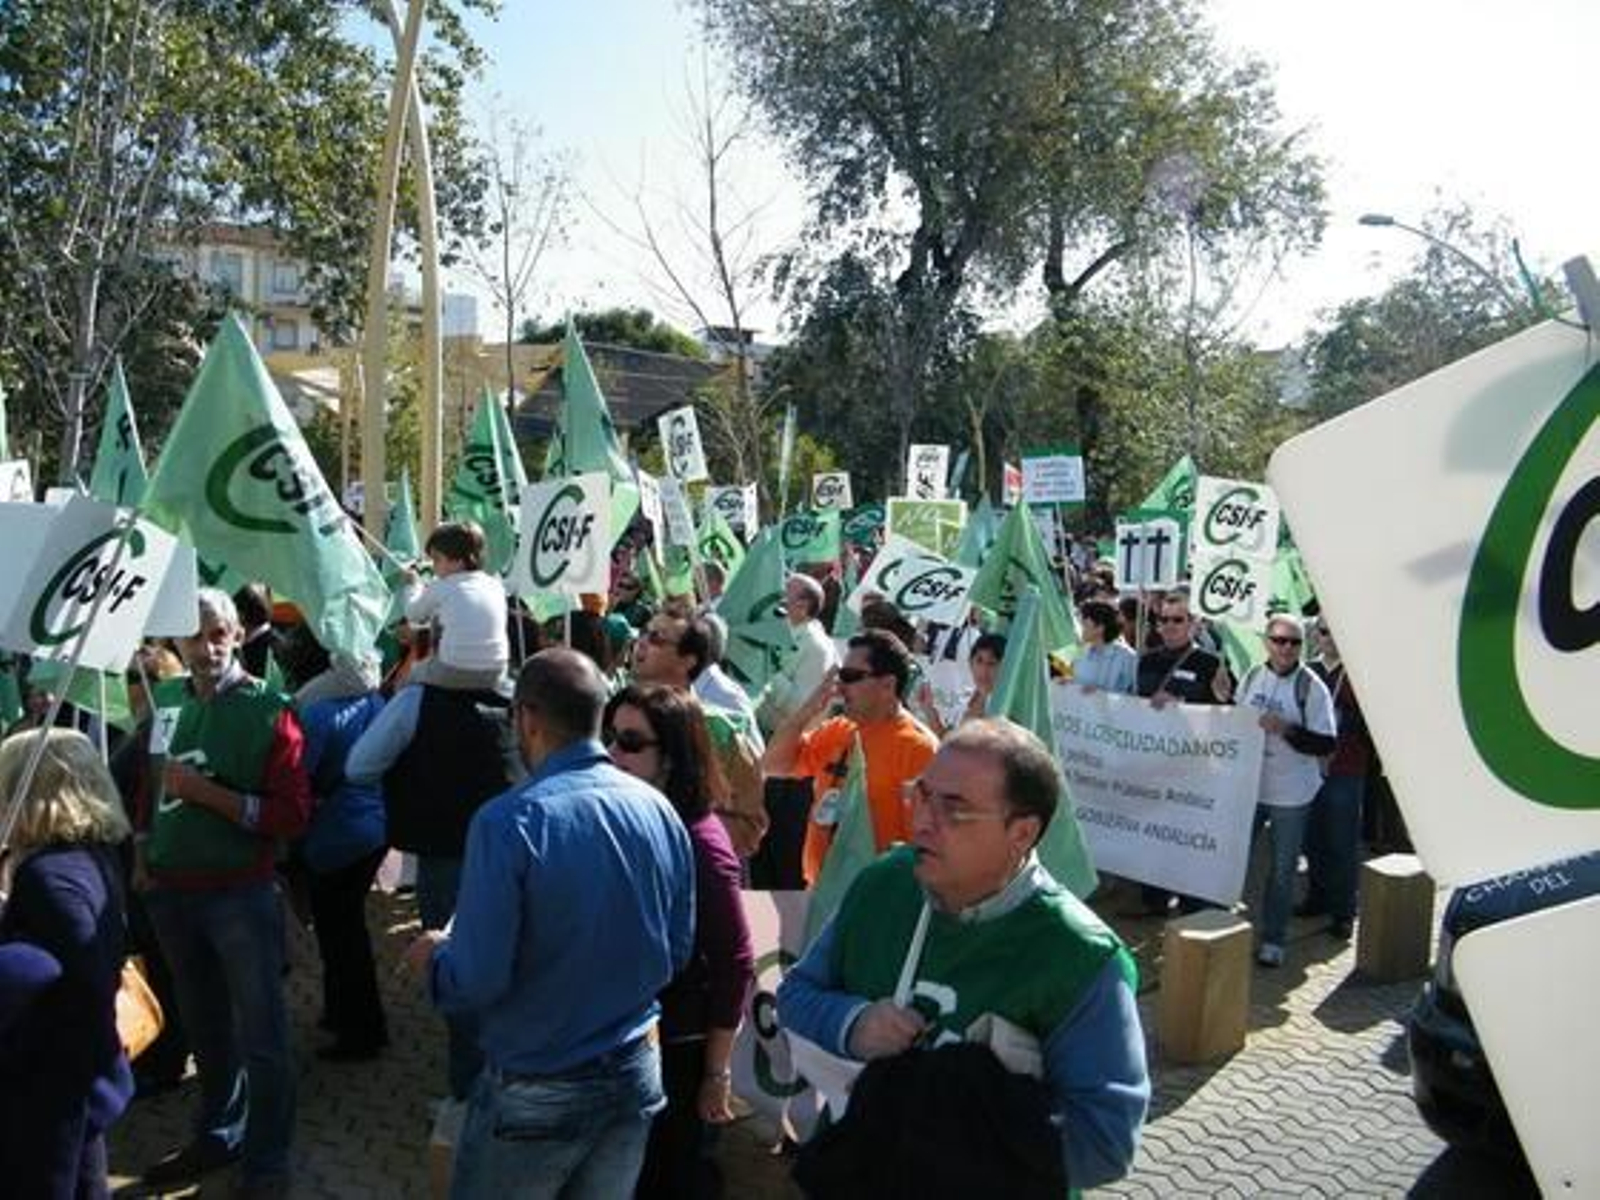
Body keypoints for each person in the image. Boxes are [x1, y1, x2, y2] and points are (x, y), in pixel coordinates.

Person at [777, 720, 1149, 1193]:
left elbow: (1105, 1144)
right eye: (923, 795)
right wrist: (853, 1023)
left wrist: (963, 1112)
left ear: (1022, 832)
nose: (923, 820)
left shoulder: (1081, 956)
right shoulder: (884, 884)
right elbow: (796, 994)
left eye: (955, 809)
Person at [403, 649, 695, 1199]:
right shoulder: (659, 810)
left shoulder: (508, 821)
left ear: (527, 719)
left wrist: (436, 959)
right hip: (634, 1069)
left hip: (539, 1083)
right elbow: (676, 951)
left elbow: (478, 979)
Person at [135, 589, 312, 1197]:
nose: (207, 647)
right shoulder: (163, 699)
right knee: (206, 1027)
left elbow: (292, 815)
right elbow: (147, 789)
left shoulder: (270, 708)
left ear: (238, 635)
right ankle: (217, 1132)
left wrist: (209, 794)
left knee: (262, 1036)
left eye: (219, 634)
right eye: (195, 635)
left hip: (240, 895)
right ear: (177, 642)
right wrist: (141, 852)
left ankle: (268, 1161)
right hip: (171, 894)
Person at [346, 647, 520, 1103]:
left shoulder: (416, 700)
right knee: (505, 968)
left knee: (457, 974)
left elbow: (359, 766)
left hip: (445, 855)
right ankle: (500, 1089)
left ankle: (467, 1099)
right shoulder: (519, 694)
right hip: (511, 854)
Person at [602, 685, 754, 1200]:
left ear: (671, 758)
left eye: (629, 742)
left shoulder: (701, 843)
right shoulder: (630, 816)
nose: (612, 754)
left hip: (679, 1051)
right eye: (609, 738)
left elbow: (736, 962)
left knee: (673, 1178)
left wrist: (716, 1072)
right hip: (628, 1038)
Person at [0, 728, 134, 1199]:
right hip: (79, 1078)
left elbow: (78, 976)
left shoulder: (48, 876)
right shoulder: (89, 853)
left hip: (56, 1089)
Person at [764, 630, 939, 885]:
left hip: (873, 895)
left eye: (850, 677)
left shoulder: (919, 747)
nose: (839, 686)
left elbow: (927, 842)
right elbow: (774, 765)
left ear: (888, 685)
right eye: (839, 676)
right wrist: (809, 709)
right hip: (821, 890)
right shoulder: (839, 729)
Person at [297, 662, 390, 1061]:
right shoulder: (376, 699)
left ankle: (359, 1029)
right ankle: (344, 1015)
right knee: (346, 929)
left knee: (340, 935)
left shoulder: (317, 711)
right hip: (375, 825)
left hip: (336, 833)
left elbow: (301, 775)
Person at [1237, 614, 1337, 967]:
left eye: (1294, 642)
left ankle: (1274, 939)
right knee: (1234, 860)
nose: (1286, 648)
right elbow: (1235, 723)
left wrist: (1288, 730)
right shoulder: (1251, 676)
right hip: (1250, 787)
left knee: (1281, 870)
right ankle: (1225, 929)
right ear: (1266, 642)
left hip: (1291, 794)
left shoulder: (1311, 686)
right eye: (1279, 640)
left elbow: (1326, 743)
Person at [632, 610, 768, 857]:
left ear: (689, 661)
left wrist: (681, 832)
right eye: (643, 633)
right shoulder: (618, 717)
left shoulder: (720, 732)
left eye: (657, 638)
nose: (641, 642)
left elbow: (749, 825)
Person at [1301, 619, 1372, 940]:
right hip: (1307, 767)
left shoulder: (1361, 671)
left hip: (1346, 767)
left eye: (1336, 630)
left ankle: (1344, 911)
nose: (1330, 638)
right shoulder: (1307, 670)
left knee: (1342, 842)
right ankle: (1318, 897)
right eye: (1325, 631)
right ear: (1317, 635)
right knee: (1312, 839)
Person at [398, 520, 510, 691]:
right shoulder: (495, 585)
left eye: (436, 559)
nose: (433, 567)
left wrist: (412, 586)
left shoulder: (442, 585)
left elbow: (413, 613)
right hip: (497, 671)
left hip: (452, 670)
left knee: (406, 681)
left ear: (458, 561)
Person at [754, 573, 840, 736]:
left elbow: (801, 707)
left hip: (777, 739)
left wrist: (767, 669)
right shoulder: (774, 628)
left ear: (802, 607)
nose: (776, 596)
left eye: (784, 593)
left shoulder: (817, 648)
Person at [920, 632, 1007, 737]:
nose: (984, 670)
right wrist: (929, 709)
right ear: (971, 662)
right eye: (979, 661)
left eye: (992, 663)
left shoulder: (1004, 707)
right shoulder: (965, 698)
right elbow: (946, 740)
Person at [1073, 601, 1137, 694]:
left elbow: (1132, 695)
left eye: (1084, 625)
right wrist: (1068, 683)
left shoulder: (1128, 657)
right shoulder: (1078, 651)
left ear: (1100, 628)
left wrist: (1102, 693)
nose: (1080, 629)